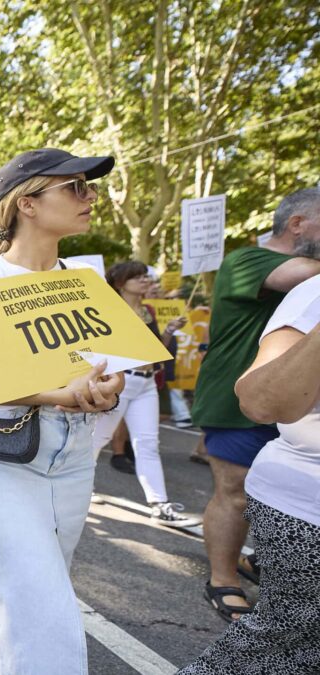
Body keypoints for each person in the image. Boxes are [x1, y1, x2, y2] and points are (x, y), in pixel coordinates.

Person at [0, 148, 124, 673]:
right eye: (76, 187)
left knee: (27, 585)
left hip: (73, 455)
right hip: (4, 455)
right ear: (29, 204)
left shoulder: (84, 282)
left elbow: (108, 367)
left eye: (90, 187)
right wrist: (54, 393)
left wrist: (104, 388)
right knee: (41, 600)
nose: (90, 197)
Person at [191, 187, 320, 621]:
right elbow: (301, 273)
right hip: (237, 395)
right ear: (297, 224)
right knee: (236, 492)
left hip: (300, 400)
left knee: (283, 489)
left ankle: (262, 562)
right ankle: (222, 579)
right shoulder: (247, 259)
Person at [180, 275, 320, 673]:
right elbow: (261, 402)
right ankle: (223, 578)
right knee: (280, 647)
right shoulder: (310, 292)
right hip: (306, 502)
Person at [92, 261, 201, 527]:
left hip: (147, 382)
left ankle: (159, 504)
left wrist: (168, 331)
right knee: (98, 438)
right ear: (120, 283)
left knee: (148, 444)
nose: (145, 280)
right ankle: (77, 487)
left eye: (145, 276)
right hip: (121, 381)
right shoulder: (108, 311)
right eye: (137, 277)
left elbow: (155, 349)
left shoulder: (148, 311)